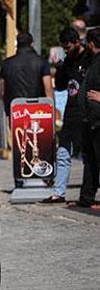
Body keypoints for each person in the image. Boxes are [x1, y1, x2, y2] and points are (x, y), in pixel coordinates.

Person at [43, 27, 92, 204]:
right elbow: (62, 86)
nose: (66, 50)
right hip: (70, 113)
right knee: (63, 152)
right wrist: (60, 69)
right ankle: (59, 192)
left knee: (87, 156)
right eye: (63, 47)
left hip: (86, 113)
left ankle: (88, 193)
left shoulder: (89, 58)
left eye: (68, 47)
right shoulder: (68, 61)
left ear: (77, 42)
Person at [76, 28, 100, 208]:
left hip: (97, 119)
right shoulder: (92, 60)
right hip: (90, 120)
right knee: (90, 160)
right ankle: (87, 196)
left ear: (92, 44)